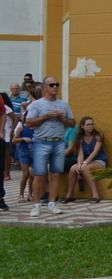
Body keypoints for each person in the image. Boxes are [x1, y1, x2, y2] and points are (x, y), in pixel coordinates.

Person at [24, 77, 75, 217]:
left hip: (58, 142)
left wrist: (63, 119)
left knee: (55, 174)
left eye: (57, 84)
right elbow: (28, 123)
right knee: (39, 174)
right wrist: (46, 116)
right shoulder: (37, 105)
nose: (55, 87)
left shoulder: (64, 104)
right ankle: (36, 205)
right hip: (41, 142)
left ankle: (52, 203)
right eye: (52, 84)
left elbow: (72, 123)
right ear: (45, 87)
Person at [63, 117, 105, 203]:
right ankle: (69, 195)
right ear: (82, 126)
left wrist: (85, 163)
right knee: (73, 169)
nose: (91, 126)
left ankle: (95, 195)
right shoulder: (80, 138)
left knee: (85, 168)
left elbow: (95, 152)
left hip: (99, 161)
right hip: (86, 161)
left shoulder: (98, 136)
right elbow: (80, 153)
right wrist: (79, 164)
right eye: (88, 125)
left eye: (92, 124)